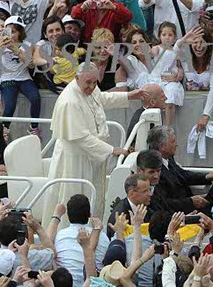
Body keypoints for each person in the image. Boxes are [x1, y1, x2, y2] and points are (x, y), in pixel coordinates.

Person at [43, 62, 147, 219]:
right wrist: (112, 150)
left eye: (95, 82)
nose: (92, 87)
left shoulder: (89, 86)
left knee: (93, 195)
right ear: (77, 78)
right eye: (88, 83)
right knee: (76, 198)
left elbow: (101, 98)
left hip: (91, 156)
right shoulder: (70, 101)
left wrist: (129, 96)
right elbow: (82, 138)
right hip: (75, 160)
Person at [146, 125, 213, 213]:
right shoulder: (154, 171)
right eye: (173, 142)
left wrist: (207, 176)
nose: (176, 144)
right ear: (162, 146)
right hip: (179, 212)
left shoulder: (168, 158)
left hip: (188, 205)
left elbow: (182, 174)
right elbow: (164, 203)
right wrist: (190, 202)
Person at [53, 194, 110, 287]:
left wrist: (56, 216)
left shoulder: (60, 236)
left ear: (68, 215)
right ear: (89, 214)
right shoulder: (103, 238)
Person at [106, 174, 153, 238]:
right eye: (145, 191)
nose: (150, 194)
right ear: (132, 193)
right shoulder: (120, 218)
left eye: (150, 189)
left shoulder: (147, 207)